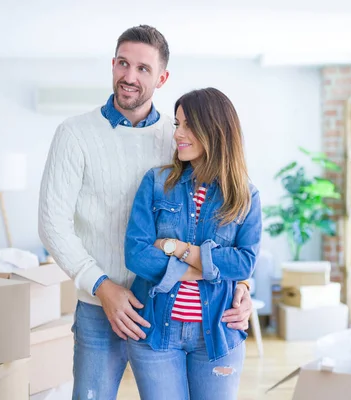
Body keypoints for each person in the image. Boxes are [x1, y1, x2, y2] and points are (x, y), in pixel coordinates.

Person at [38, 25, 254, 400]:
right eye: (123, 63)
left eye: (143, 68)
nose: (129, 76)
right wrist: (103, 287)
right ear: (113, 64)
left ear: (162, 77)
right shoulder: (74, 134)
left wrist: (242, 286)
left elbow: (228, 219)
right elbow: (51, 224)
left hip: (161, 303)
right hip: (98, 302)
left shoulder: (177, 139)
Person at [124, 87, 262, 400]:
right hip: (156, 332)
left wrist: (176, 247)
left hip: (218, 334)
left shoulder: (245, 196)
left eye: (187, 125)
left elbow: (244, 263)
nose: (177, 134)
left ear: (214, 129)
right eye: (177, 124)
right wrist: (209, 267)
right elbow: (136, 254)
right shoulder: (156, 182)